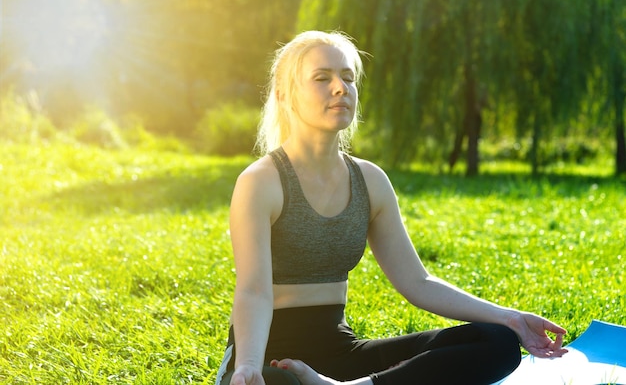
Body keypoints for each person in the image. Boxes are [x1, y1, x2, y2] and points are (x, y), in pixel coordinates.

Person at [215, 30, 568, 385]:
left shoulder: (370, 180)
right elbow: (253, 291)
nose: (340, 87)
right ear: (285, 95)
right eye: (322, 78)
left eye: (348, 78)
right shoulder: (262, 182)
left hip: (341, 355)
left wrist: (511, 319)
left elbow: (417, 282)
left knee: (497, 342)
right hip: (268, 357)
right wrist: (247, 365)